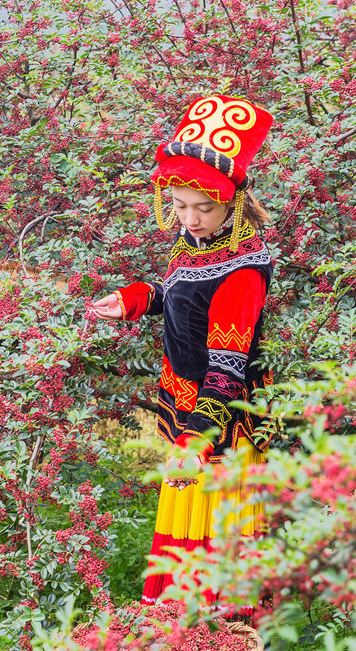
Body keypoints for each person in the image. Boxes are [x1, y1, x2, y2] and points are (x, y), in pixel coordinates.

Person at [90, 95, 274, 618]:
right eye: (179, 205)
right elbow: (182, 298)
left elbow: (227, 366)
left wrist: (197, 441)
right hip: (189, 409)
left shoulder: (242, 271)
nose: (189, 219)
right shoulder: (199, 243)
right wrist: (133, 299)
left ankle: (221, 639)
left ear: (233, 201)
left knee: (209, 540)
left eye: (203, 207)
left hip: (219, 424)